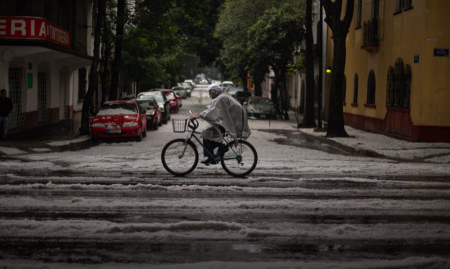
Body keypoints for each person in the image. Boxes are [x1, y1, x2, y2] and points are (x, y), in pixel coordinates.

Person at [190, 83, 251, 165]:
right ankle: (212, 156)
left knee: (206, 133)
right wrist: (197, 114)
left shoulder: (220, 98)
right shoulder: (221, 97)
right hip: (228, 121)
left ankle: (219, 150)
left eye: (210, 92)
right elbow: (209, 109)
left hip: (229, 123)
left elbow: (210, 112)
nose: (209, 94)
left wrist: (197, 116)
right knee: (207, 133)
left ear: (215, 91)